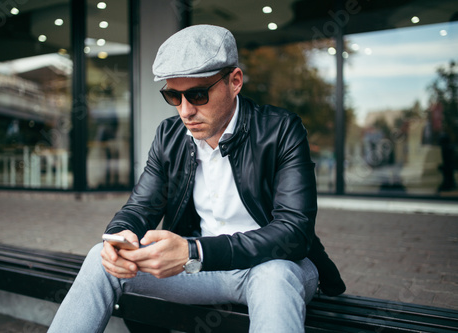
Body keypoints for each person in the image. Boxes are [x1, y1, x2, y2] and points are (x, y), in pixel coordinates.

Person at [48, 24, 345, 333]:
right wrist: (119, 240)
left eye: (198, 95)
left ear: (235, 82)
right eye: (173, 96)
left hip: (271, 266)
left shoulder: (281, 129)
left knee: (276, 277)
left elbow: (294, 232)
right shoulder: (169, 134)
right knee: (99, 258)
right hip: (198, 270)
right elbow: (140, 207)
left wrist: (194, 251)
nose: (185, 111)